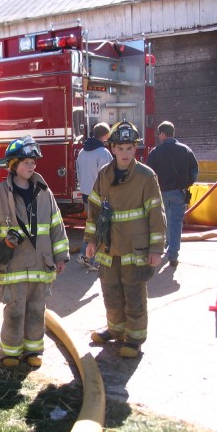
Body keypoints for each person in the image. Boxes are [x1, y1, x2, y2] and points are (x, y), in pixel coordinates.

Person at [0, 136, 69, 368]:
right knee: (15, 310)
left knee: (37, 310)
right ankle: (10, 351)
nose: (31, 166)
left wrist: (61, 255)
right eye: (26, 162)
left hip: (40, 264)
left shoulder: (44, 192)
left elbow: (55, 226)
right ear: (13, 165)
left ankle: (33, 350)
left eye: (33, 162)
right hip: (13, 266)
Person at [84, 120, 166, 357]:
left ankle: (134, 337)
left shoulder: (146, 176)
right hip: (109, 247)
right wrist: (90, 240)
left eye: (129, 148)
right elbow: (94, 211)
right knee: (110, 291)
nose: (125, 153)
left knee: (133, 293)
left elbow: (156, 214)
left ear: (136, 149)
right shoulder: (104, 174)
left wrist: (156, 248)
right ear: (112, 149)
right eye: (120, 148)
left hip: (135, 248)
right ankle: (115, 330)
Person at [146, 121, 199, 267]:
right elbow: (194, 171)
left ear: (163, 134)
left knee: (160, 222)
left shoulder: (156, 152)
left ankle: (162, 247)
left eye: (159, 134)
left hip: (160, 193)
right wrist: (186, 184)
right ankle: (173, 255)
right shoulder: (186, 150)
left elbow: (148, 173)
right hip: (178, 192)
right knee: (175, 223)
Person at [75, 122, 113, 271]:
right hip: (100, 194)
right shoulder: (104, 153)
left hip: (85, 194)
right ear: (106, 135)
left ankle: (87, 255)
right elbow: (108, 176)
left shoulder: (82, 152)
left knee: (91, 225)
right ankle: (86, 256)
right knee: (100, 226)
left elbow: (78, 172)